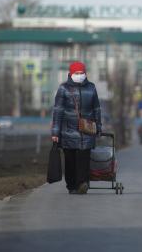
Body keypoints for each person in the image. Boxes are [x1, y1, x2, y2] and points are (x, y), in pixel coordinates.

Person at [51, 61, 102, 194]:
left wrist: (99, 126)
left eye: (82, 73)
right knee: (70, 160)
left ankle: (82, 184)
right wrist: (55, 132)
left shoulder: (91, 88)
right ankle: (72, 185)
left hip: (87, 130)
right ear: (71, 74)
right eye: (77, 73)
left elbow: (96, 108)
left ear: (85, 74)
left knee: (84, 159)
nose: (80, 75)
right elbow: (58, 111)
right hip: (68, 131)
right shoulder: (64, 88)